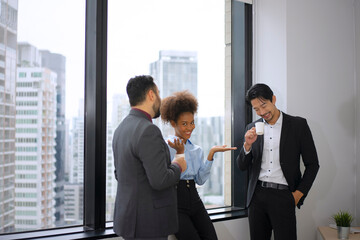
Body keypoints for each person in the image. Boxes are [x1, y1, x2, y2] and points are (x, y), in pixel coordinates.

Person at [236, 83, 320, 240]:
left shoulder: (298, 125)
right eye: (256, 109)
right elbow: (241, 166)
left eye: (264, 105)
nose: (262, 112)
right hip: (257, 196)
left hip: (284, 196)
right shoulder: (252, 128)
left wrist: (297, 195)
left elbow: (313, 165)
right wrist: (247, 145)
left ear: (273, 99)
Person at [112, 75, 187, 240]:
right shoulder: (148, 130)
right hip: (148, 223)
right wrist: (178, 165)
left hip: (129, 219)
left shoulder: (120, 129)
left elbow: (120, 175)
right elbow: (160, 180)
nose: (160, 99)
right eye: (158, 94)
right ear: (151, 95)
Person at [160, 90, 236, 240]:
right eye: (184, 124)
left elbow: (200, 180)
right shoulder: (164, 146)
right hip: (175, 203)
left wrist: (211, 154)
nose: (190, 128)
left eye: (192, 122)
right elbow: (163, 177)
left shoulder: (196, 150)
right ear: (173, 123)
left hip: (195, 200)